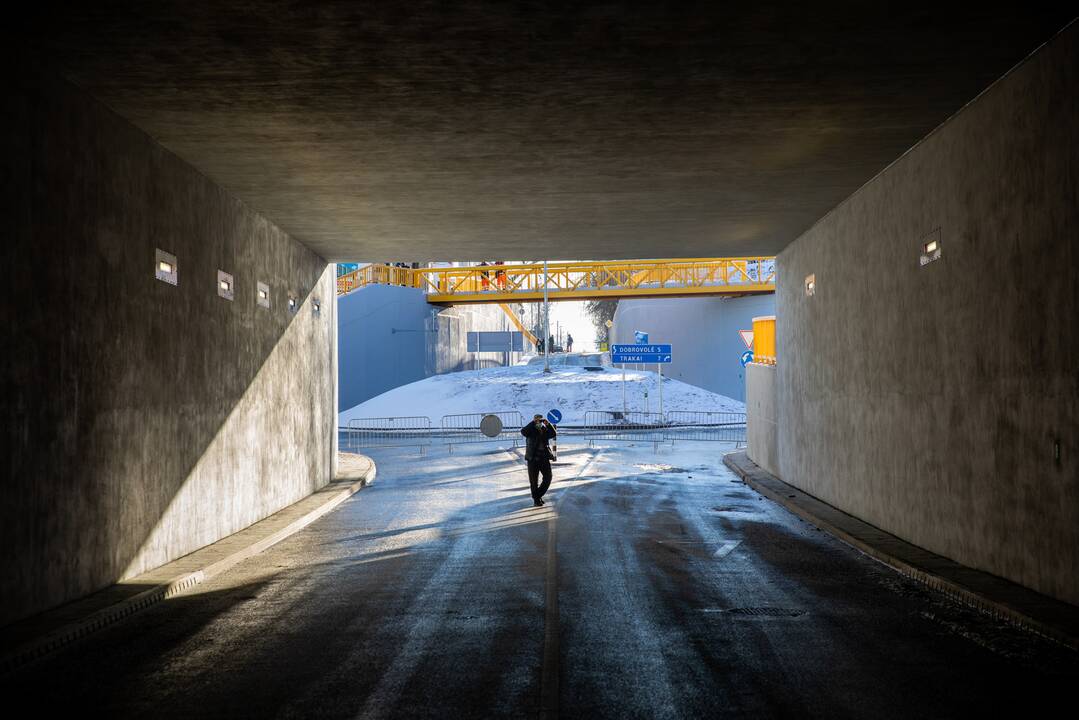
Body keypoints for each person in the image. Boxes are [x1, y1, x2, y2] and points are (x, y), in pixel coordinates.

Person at [521, 414, 557, 506]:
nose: (538, 421)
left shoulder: (544, 429)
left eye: (540, 420)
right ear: (533, 420)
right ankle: (536, 500)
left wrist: (548, 424)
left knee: (548, 478)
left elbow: (553, 434)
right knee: (533, 481)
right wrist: (532, 423)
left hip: (544, 458)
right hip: (532, 459)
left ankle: (537, 496)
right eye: (537, 419)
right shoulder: (530, 430)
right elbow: (523, 431)